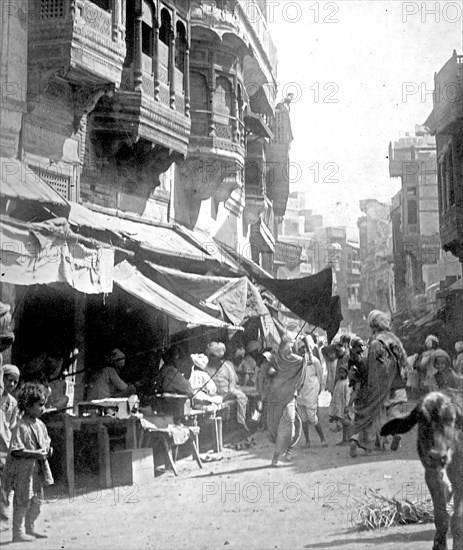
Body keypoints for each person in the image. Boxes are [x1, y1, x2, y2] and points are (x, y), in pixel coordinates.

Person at [349, 310, 408, 457]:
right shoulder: (393, 340)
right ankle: (394, 433)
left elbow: (373, 367)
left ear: (373, 326)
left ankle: (368, 447)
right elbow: (403, 363)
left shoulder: (375, 343)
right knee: (394, 413)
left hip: (380, 386)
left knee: (374, 415)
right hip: (397, 384)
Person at [4, 382, 53, 542]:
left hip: (38, 470)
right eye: (40, 405)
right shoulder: (21, 426)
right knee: (23, 501)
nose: (43, 409)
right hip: (24, 471)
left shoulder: (41, 425)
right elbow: (16, 450)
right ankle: (17, 532)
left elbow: (46, 442)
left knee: (37, 501)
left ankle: (30, 527)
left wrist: (48, 450)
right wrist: (35, 453)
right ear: (29, 405)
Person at [266, 335, 307, 466]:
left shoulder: (289, 360)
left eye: (289, 350)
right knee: (282, 427)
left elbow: (306, 361)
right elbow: (307, 361)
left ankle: (281, 455)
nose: (287, 353)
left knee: (290, 426)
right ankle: (279, 456)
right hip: (279, 398)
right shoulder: (278, 360)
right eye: (286, 349)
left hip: (284, 398)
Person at [205, 342, 249, 431]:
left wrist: (231, 390)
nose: (215, 359)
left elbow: (232, 380)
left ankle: (241, 422)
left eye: (217, 358)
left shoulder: (227, 366)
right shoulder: (206, 368)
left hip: (229, 390)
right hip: (215, 394)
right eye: (212, 357)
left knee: (242, 397)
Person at [296, 336, 327, 448]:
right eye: (301, 348)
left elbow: (320, 374)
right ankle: (307, 441)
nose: (303, 350)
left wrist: (320, 388)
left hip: (312, 389)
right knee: (303, 418)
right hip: (301, 392)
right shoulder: (298, 361)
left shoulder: (314, 360)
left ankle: (323, 439)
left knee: (312, 418)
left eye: (305, 347)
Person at [0, 365, 20, 532]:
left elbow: (12, 427)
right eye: (9, 379)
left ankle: (5, 519)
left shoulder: (12, 403)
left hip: (4, 448)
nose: (12, 384)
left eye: (15, 382)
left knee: (5, 485)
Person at [329, 366, 352, 445]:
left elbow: (348, 396)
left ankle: (348, 439)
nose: (341, 375)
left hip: (344, 407)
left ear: (346, 373)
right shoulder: (338, 382)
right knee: (343, 423)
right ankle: (344, 439)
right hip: (339, 406)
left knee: (347, 424)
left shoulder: (347, 383)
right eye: (340, 373)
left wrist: (347, 407)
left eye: (343, 373)